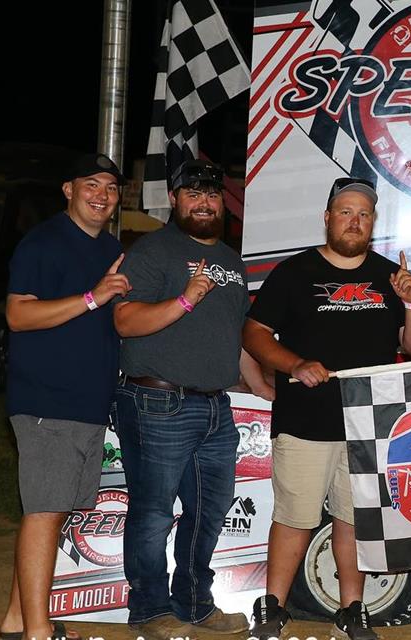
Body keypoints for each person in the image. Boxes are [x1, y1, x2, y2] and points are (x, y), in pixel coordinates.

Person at [243, 177, 411, 640]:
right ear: (327, 218)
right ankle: (272, 608)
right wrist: (294, 364)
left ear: (373, 222)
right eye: (345, 212)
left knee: (354, 519)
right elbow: (254, 334)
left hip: (368, 424)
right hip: (305, 422)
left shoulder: (392, 276)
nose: (355, 221)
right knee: (294, 517)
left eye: (364, 214)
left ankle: (352, 610)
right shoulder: (294, 273)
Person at [113, 159, 267, 640]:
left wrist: (263, 389)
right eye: (193, 194)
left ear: (223, 202)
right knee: (154, 513)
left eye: (212, 195)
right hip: (156, 402)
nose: (204, 203)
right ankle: (149, 610)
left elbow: (235, 337)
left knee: (209, 511)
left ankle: (196, 603)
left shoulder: (230, 258)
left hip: (216, 408)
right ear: (175, 200)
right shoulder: (153, 251)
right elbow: (124, 321)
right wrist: (185, 299)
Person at [0, 153, 128, 640]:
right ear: (68, 190)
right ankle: (37, 630)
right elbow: (18, 315)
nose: (102, 194)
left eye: (111, 187)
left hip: (87, 404)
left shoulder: (110, 248)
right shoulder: (44, 242)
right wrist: (93, 297)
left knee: (51, 510)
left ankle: (17, 618)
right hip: (45, 403)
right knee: (45, 511)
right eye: (90, 184)